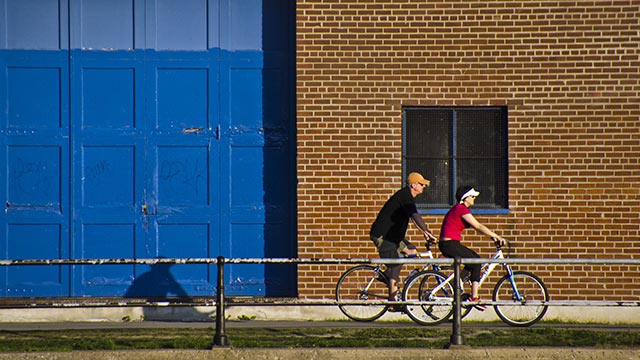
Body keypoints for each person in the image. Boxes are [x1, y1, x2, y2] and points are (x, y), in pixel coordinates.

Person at [370, 172, 437, 310]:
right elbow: (415, 215)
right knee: (395, 264)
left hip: (394, 237)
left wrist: (423, 232)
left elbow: (411, 216)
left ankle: (388, 275)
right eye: (421, 184)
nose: (424, 186)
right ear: (413, 185)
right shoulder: (405, 196)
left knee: (412, 251)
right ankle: (393, 302)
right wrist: (427, 231)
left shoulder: (408, 197)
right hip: (384, 235)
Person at [438, 186, 507, 305]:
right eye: (472, 196)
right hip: (449, 244)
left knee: (472, 260)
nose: (474, 199)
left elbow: (478, 227)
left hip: (450, 243)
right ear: (465, 198)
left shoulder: (459, 209)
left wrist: (492, 236)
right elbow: (478, 226)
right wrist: (496, 236)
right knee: (476, 261)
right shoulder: (461, 209)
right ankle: (474, 297)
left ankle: (458, 281)